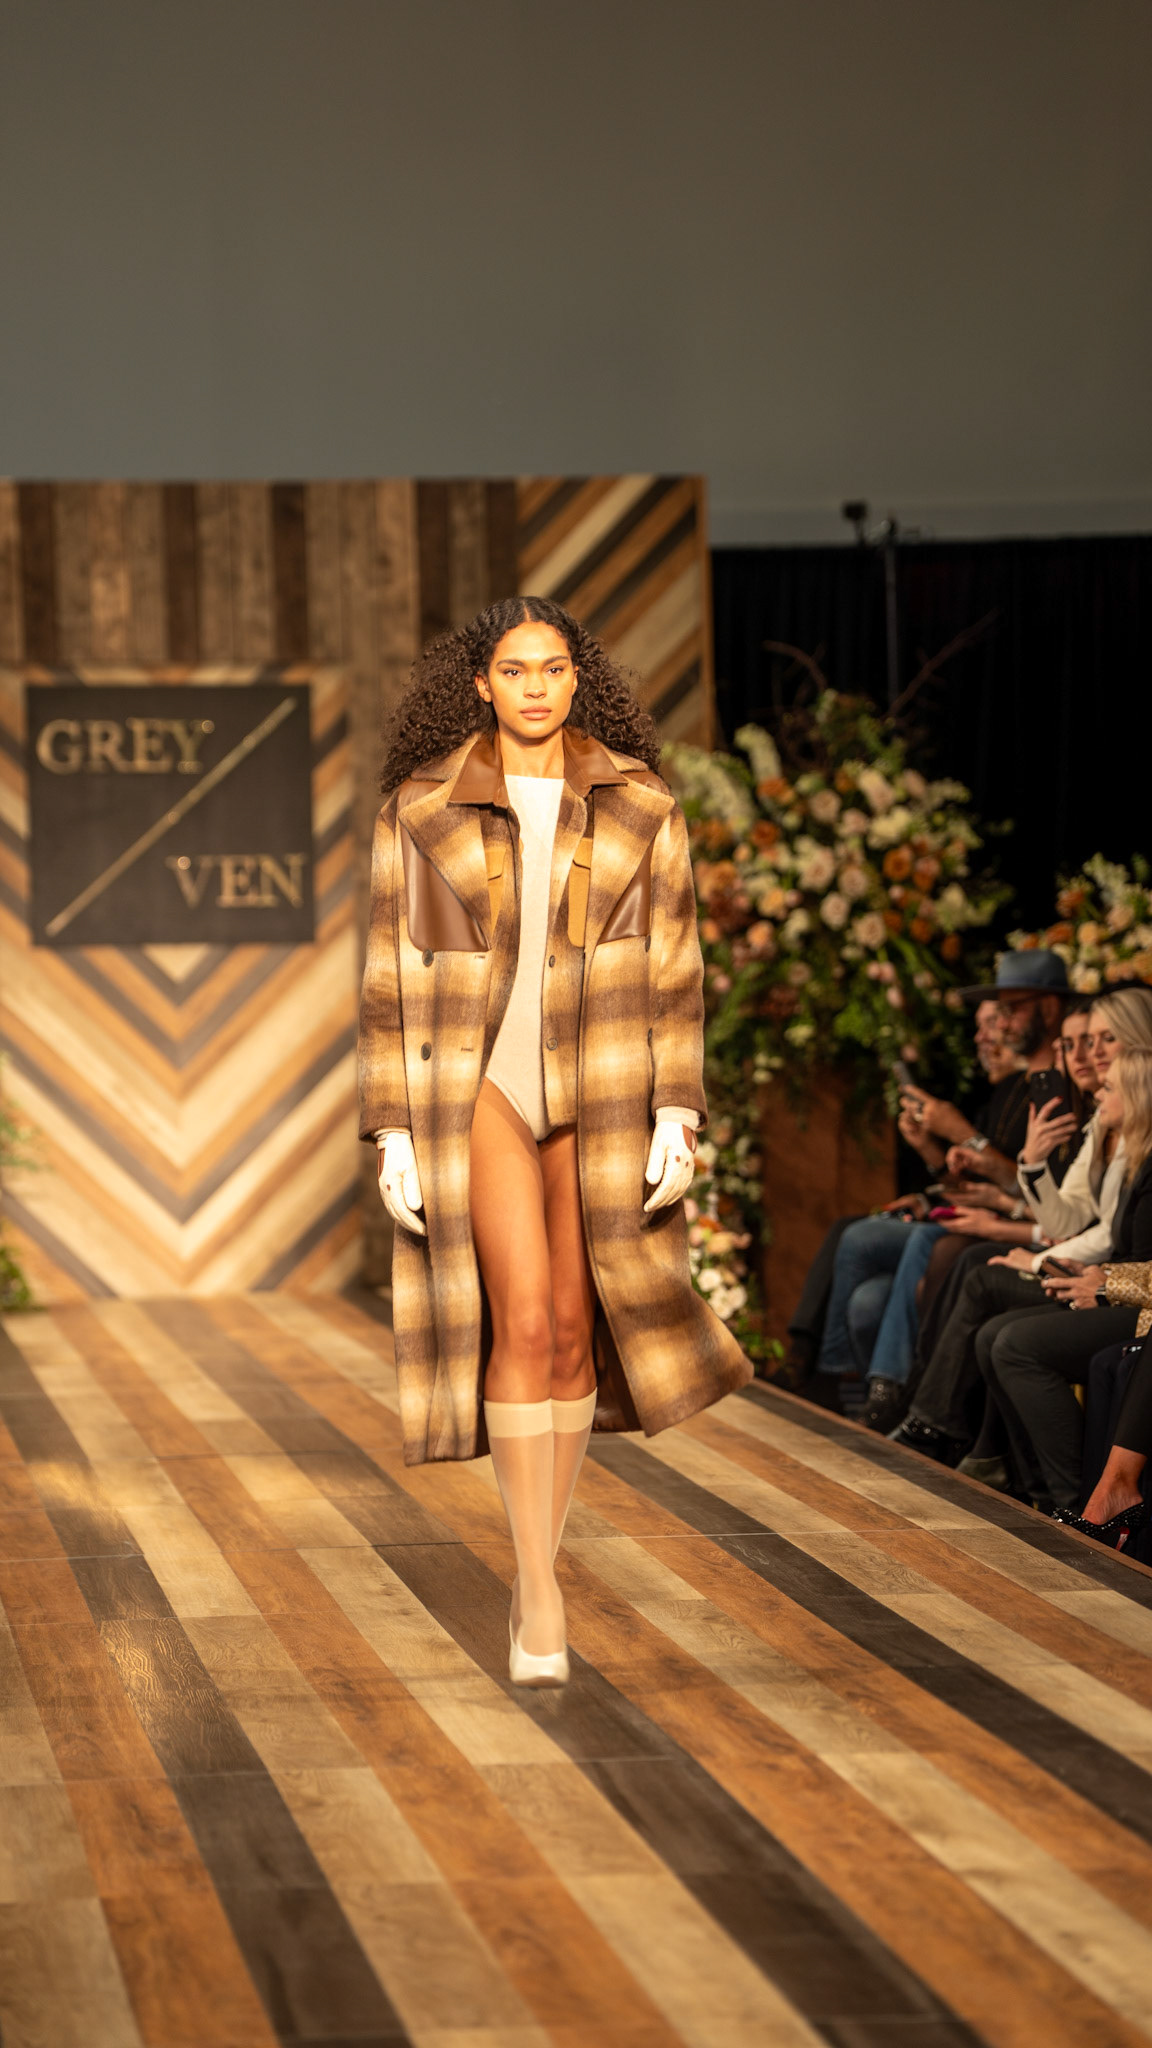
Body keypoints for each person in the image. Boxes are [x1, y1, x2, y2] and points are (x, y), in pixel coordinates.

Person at [358, 595, 751, 1688]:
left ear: (579, 679)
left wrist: (678, 1108)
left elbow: (676, 968)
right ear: (479, 683)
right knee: (523, 1317)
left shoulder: (641, 804)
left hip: (606, 1083)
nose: (535, 686)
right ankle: (538, 1586)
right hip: (475, 1084)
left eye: (554, 667)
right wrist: (392, 1126)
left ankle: (545, 1551)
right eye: (514, 669)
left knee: (577, 1331)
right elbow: (388, 974)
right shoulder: (420, 808)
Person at [890, 985, 1152, 1462]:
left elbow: (1099, 1233)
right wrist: (1032, 1161)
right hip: (1100, 1269)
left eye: (1103, 1040)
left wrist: (1036, 1254)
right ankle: (933, 1420)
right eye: (1078, 1044)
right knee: (971, 1271)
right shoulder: (1102, 1119)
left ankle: (937, 1426)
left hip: (1117, 1281)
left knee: (985, 1286)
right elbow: (1067, 1217)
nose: (1088, 1055)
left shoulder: (1121, 1116)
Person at [806, 960, 1065, 1433]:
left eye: (1007, 1012)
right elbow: (984, 1182)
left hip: (1019, 1232)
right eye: (994, 1017)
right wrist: (931, 1151)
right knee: (866, 1299)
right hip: (989, 1219)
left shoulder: (1057, 1091)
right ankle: (871, 1396)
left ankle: (860, 1387)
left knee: (868, 1238)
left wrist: (960, 1135)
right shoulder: (1013, 1089)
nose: (996, 1029)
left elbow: (1029, 1191)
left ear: (1049, 1009)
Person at [976, 1047, 1152, 1512]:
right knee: (992, 1329)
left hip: (1137, 1305)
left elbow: (1114, 1246)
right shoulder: (1125, 1151)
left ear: (1137, 1096)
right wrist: (1033, 1163)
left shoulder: (1141, 1158)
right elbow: (1069, 1222)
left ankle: (1071, 1499)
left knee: (1012, 1340)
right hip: (1113, 1283)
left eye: (1109, 1087)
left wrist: (1101, 1282)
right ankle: (1034, 1492)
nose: (1097, 1093)